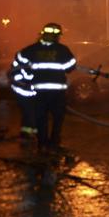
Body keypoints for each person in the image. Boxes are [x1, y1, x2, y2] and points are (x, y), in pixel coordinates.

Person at [15, 23, 77, 155]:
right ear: (58, 36)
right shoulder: (62, 50)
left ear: (42, 34)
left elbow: (19, 59)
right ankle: (54, 144)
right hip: (57, 93)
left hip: (39, 92)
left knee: (41, 118)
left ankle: (42, 145)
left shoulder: (31, 49)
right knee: (57, 118)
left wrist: (27, 77)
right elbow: (71, 67)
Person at [9, 43, 37, 145]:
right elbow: (16, 77)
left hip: (30, 92)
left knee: (30, 113)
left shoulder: (28, 61)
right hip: (24, 92)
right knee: (29, 112)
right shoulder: (21, 65)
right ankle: (27, 134)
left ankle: (30, 133)